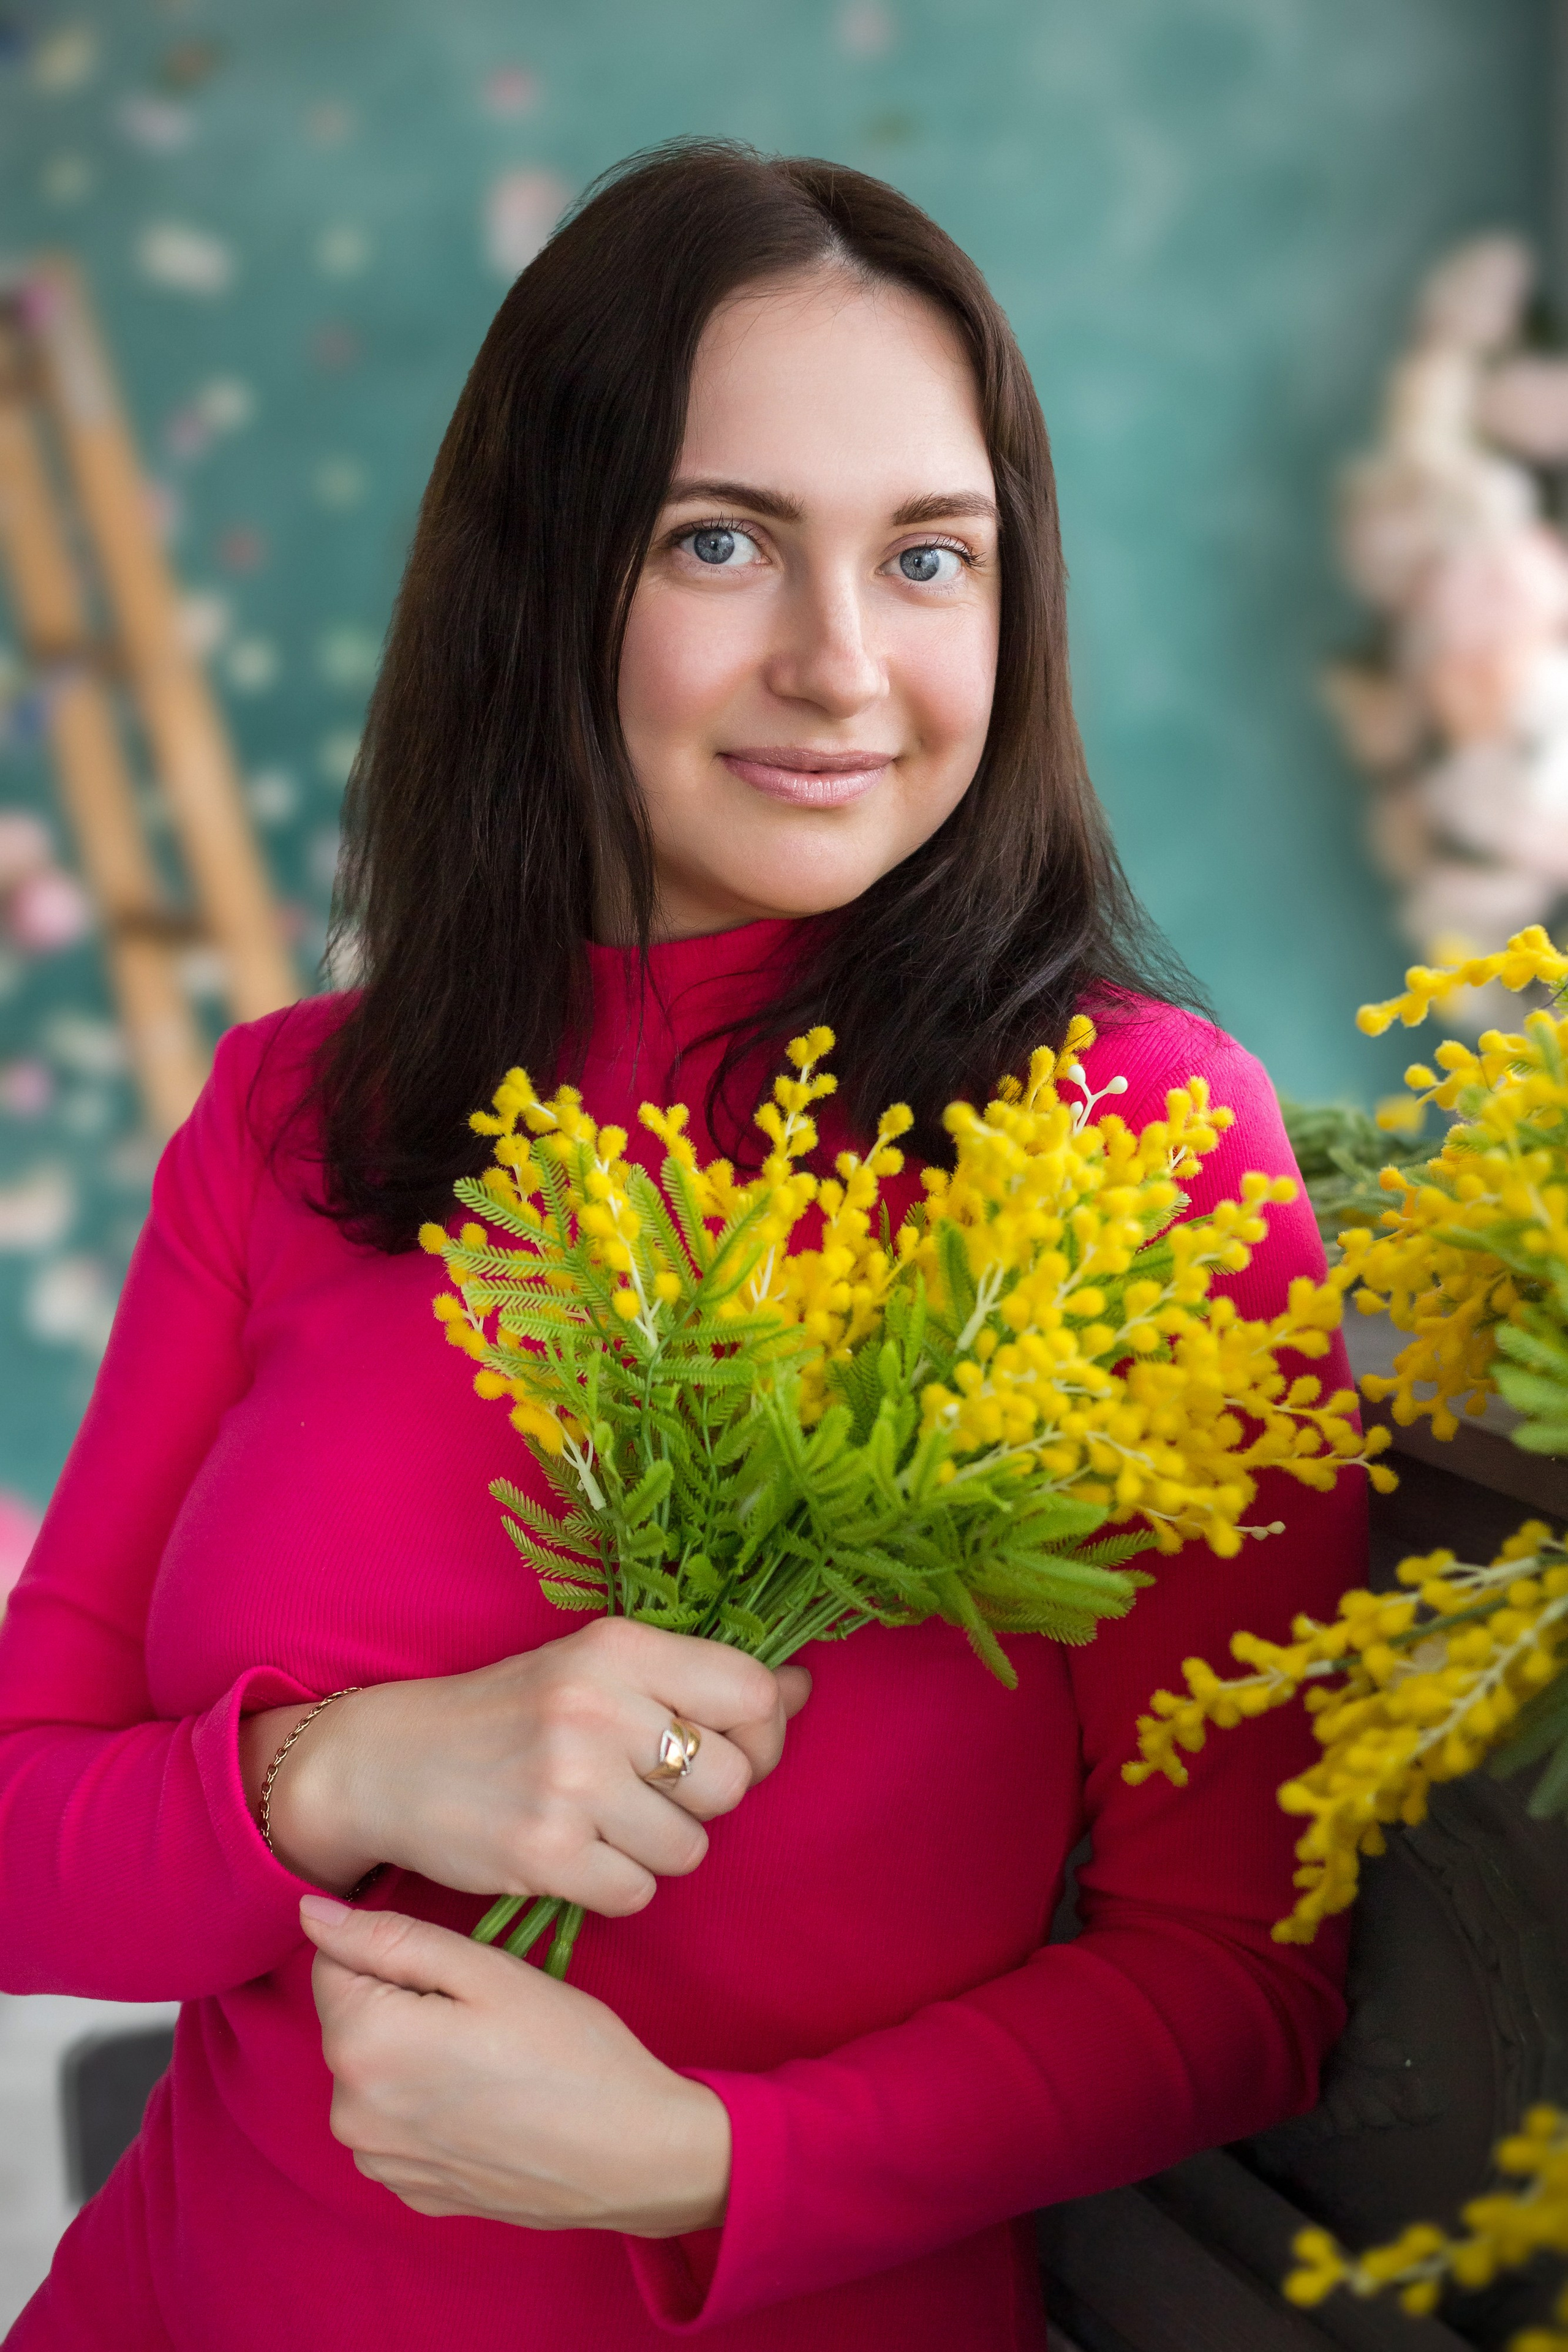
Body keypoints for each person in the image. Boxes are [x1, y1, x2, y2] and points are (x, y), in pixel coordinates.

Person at [0, 142, 1365, 2351]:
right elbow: (17, 1834)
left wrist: (708, 2165)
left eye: (931, 558)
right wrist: (341, 1772)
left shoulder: (1123, 1146)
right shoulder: (291, 1116)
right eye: (721, 544)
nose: (842, 667)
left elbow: (1239, 1979)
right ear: (543, 580)